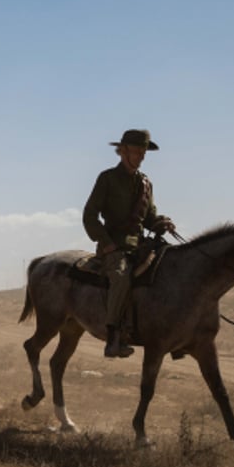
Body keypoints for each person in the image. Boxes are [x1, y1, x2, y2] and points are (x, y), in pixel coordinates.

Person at [82, 129, 175, 358]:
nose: (141, 156)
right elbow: (90, 215)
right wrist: (106, 243)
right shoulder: (107, 179)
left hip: (141, 244)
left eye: (143, 152)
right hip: (114, 245)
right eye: (136, 151)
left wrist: (161, 222)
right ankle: (113, 336)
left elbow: (149, 217)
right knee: (121, 277)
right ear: (122, 151)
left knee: (174, 268)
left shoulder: (146, 183)